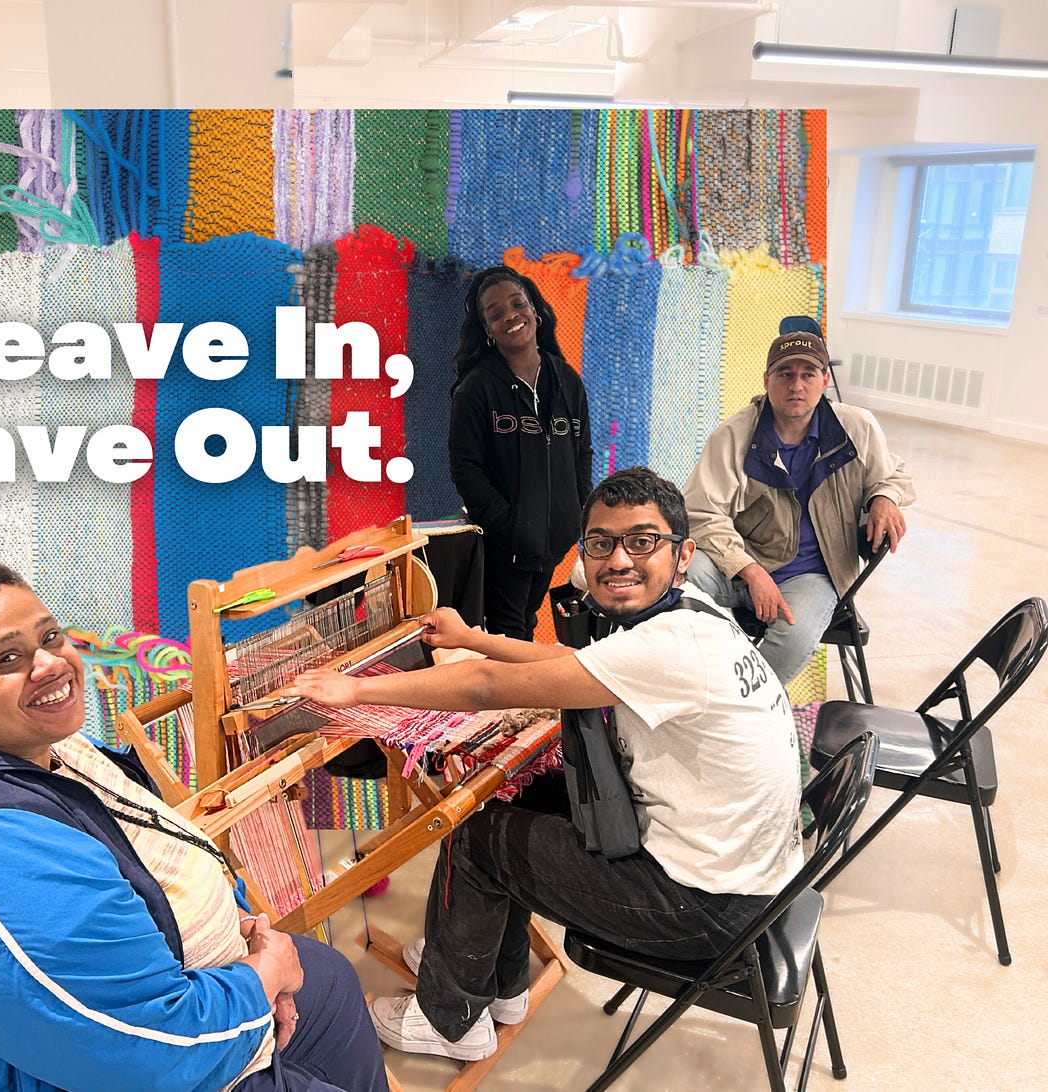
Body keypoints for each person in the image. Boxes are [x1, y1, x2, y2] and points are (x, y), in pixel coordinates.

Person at [282, 467, 803, 1062]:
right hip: (749, 880)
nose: (618, 559)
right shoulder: (693, 612)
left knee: (479, 838)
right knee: (510, 800)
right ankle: (492, 985)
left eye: (642, 540)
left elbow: (485, 688)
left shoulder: (671, 646)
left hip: (701, 908)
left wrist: (356, 691)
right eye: (601, 543)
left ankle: (449, 1021)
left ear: (682, 555)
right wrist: (473, 636)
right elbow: (570, 663)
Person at [0, 559, 387, 1092]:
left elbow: (161, 843)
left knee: (329, 979)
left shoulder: (54, 755)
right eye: (7, 658)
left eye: (51, 636)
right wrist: (265, 974)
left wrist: (250, 937)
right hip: (64, 1070)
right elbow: (150, 1057)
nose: (48, 664)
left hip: (122, 1038)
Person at [683, 327, 914, 685]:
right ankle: (698, 678)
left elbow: (893, 473)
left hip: (812, 575)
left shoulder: (857, 426)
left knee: (794, 636)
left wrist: (884, 496)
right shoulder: (734, 435)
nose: (796, 385)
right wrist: (750, 570)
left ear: (824, 381)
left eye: (808, 374)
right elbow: (701, 512)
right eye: (785, 374)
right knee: (680, 577)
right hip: (741, 564)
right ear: (766, 380)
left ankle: (740, 705)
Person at [449, 266, 593, 641]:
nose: (511, 315)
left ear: (535, 310)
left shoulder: (566, 380)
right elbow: (465, 469)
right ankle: (514, 695)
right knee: (509, 633)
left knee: (524, 620)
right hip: (505, 544)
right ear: (487, 329)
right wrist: (508, 525)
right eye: (496, 314)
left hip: (553, 540)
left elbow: (582, 453)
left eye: (518, 304)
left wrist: (576, 514)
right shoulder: (476, 390)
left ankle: (516, 693)